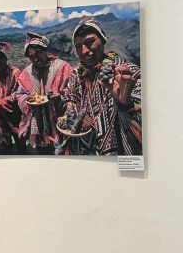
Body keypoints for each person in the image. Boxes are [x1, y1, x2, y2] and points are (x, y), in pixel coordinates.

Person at [60, 17, 142, 156]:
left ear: (103, 40)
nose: (84, 51)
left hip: (116, 151)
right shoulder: (77, 74)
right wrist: (74, 116)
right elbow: (70, 98)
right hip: (82, 147)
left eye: (90, 42)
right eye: (79, 46)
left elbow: (146, 115)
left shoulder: (126, 71)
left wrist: (125, 105)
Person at [16, 32, 73, 154]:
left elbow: (73, 90)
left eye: (38, 54)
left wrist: (61, 96)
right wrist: (27, 99)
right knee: (44, 154)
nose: (36, 59)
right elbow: (20, 94)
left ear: (45, 50)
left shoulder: (63, 67)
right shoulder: (26, 74)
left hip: (59, 123)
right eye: (31, 57)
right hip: (38, 127)